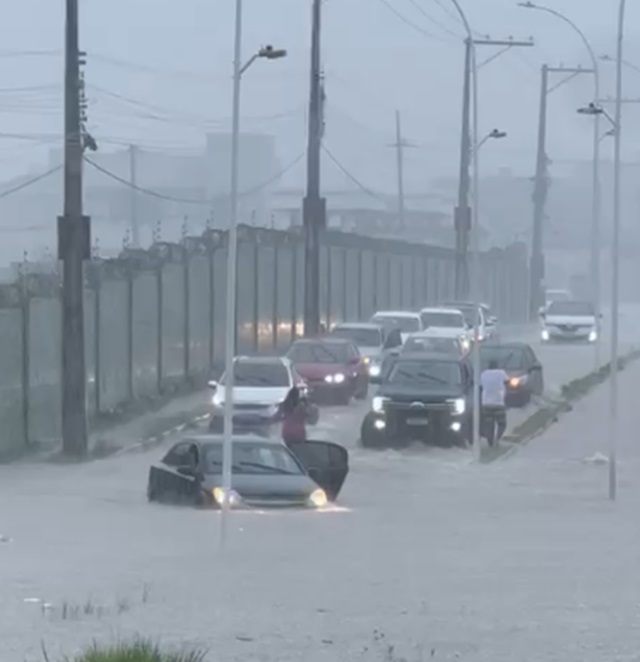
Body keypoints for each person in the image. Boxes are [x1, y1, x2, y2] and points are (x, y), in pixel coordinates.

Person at [479, 358, 509, 442]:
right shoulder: (501, 373)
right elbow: (507, 382)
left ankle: (490, 441)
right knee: (502, 423)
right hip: (499, 403)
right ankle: (497, 438)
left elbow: (480, 386)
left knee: (489, 424)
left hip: (486, 403)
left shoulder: (483, 374)